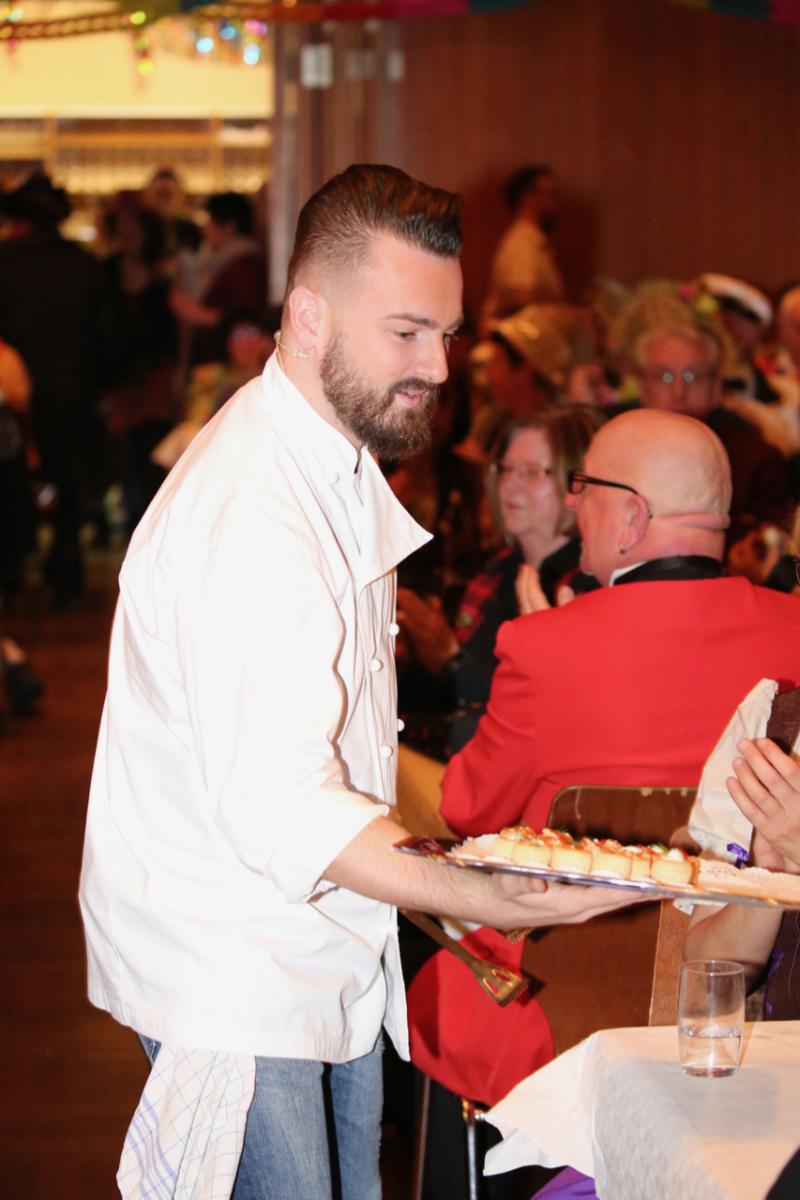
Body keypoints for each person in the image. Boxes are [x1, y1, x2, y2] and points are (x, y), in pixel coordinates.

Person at [79, 163, 636, 1200]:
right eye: (405, 332)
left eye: (446, 333)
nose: (437, 365)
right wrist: (479, 893)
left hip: (322, 951)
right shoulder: (253, 511)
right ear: (308, 317)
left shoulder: (326, 455)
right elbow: (280, 806)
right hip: (239, 977)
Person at [440, 407, 800, 838]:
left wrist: (552, 654)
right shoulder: (792, 629)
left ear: (632, 516)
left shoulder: (540, 647)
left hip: (581, 885)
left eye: (584, 485)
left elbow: (466, 810)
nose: (572, 500)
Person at [398, 406, 601, 759]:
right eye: (505, 469)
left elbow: (545, 707)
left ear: (577, 484)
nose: (511, 484)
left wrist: (449, 658)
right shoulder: (499, 572)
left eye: (533, 472)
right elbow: (462, 695)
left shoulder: (589, 584)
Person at [634, 322, 794, 544]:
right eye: (664, 377)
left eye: (693, 376)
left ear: (716, 388)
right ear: (643, 388)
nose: (679, 392)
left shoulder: (755, 461)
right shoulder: (619, 457)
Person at [169, 190, 266, 367]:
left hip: (229, 362)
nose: (205, 229)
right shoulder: (221, 259)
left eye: (210, 221)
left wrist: (196, 313)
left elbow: (244, 317)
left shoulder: (243, 263)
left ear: (229, 226)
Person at [479, 166, 565, 334]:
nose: (556, 205)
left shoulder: (533, 241)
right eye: (551, 195)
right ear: (528, 197)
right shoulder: (522, 242)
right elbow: (517, 300)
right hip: (521, 344)